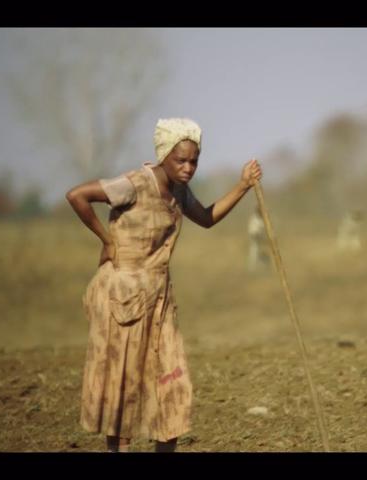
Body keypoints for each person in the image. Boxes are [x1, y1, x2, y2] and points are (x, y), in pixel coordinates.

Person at [66, 118, 262, 451]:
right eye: (181, 160)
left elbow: (207, 218)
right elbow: (77, 196)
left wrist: (243, 185)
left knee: (173, 383)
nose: (188, 168)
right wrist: (107, 240)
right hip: (123, 300)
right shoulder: (134, 184)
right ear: (164, 155)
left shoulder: (180, 192)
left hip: (159, 300)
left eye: (194, 161)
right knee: (124, 386)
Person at [247, 206, 270, 271]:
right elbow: (252, 231)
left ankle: (262, 268)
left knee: (264, 254)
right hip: (255, 240)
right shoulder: (254, 219)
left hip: (263, 240)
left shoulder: (262, 219)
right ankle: (252, 269)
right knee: (254, 253)